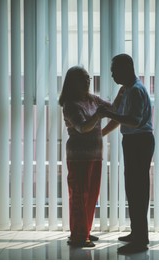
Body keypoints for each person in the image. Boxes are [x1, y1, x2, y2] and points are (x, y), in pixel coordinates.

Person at [99, 54, 154, 254]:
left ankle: (140, 240)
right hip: (133, 141)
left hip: (139, 140)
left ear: (126, 69)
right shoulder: (127, 90)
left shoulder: (135, 91)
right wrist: (101, 133)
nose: (112, 74)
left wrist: (107, 114)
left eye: (115, 70)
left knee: (137, 190)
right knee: (133, 189)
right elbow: (120, 117)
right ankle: (136, 233)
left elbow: (133, 120)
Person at [59, 66, 112, 248]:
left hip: (95, 154)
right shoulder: (71, 104)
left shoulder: (92, 99)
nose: (88, 80)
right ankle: (78, 236)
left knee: (91, 196)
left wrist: (121, 98)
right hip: (78, 156)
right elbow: (82, 128)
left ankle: (85, 231)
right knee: (79, 196)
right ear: (73, 82)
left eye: (88, 77)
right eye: (83, 78)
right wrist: (98, 115)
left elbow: (112, 109)